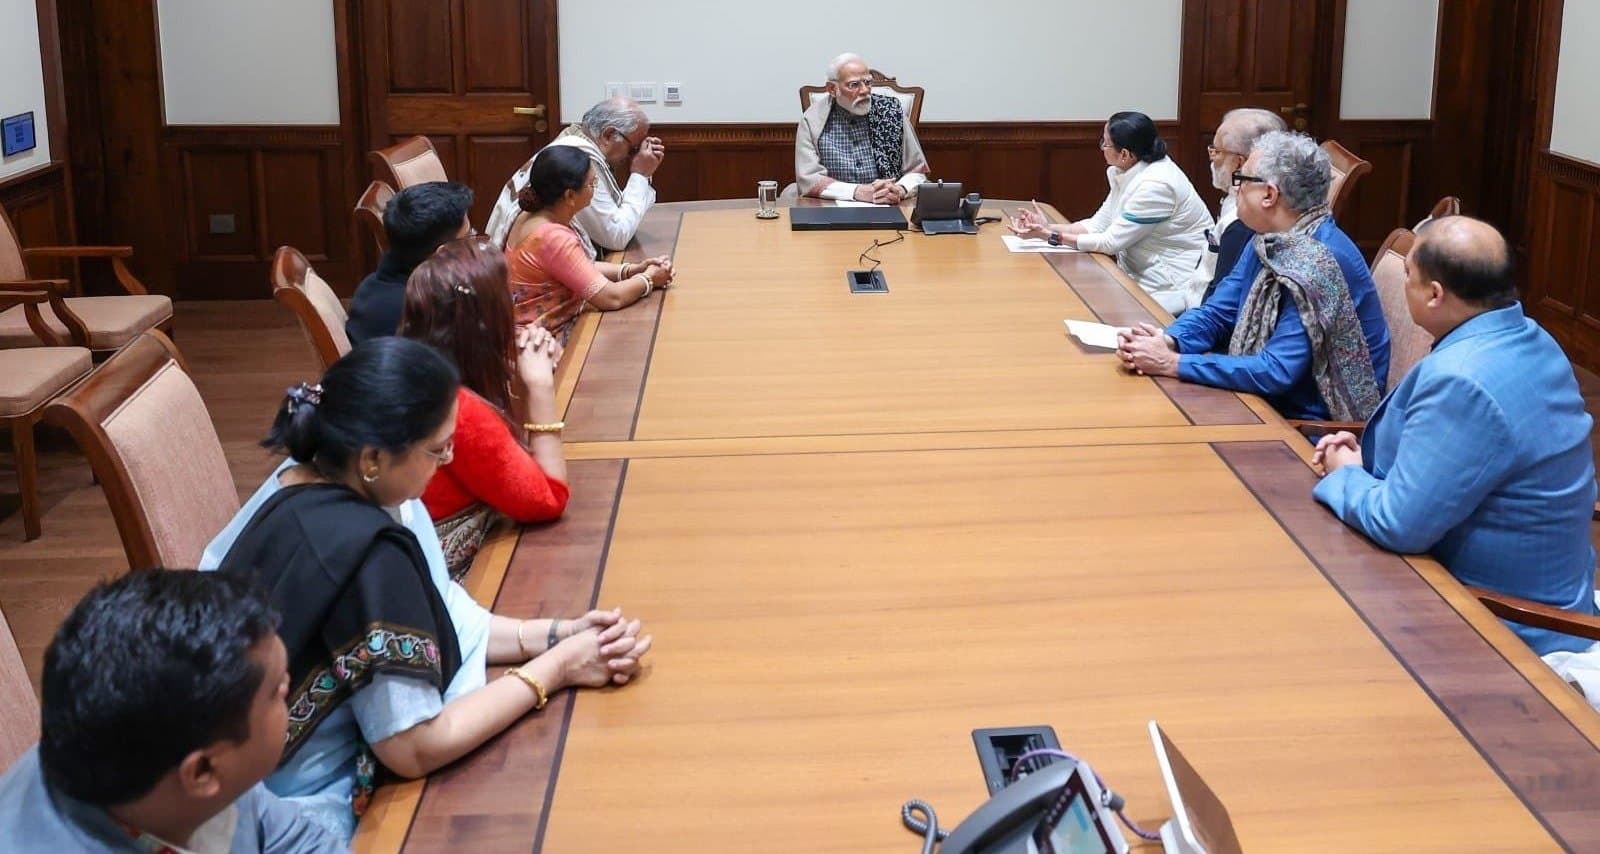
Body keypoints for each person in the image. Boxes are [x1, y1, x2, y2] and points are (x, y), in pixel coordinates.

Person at [200, 338, 652, 842]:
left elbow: (445, 607)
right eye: (438, 448)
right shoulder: (369, 554)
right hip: (290, 810)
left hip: (229, 780)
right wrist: (559, 668)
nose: (451, 456)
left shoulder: (301, 480)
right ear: (373, 458)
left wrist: (556, 633)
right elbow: (414, 745)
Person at [1312, 216, 1597, 658]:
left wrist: (1346, 473)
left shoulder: (1463, 380)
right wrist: (1366, 463)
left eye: (1408, 275)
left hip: (1506, 629)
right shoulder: (1531, 337)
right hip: (1526, 588)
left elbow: (1398, 525)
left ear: (1434, 294)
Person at [0, 569, 342, 852]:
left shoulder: (184, 740)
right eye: (275, 691)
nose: (288, 686)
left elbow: (298, 842)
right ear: (202, 771)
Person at [1116, 131, 1391, 422]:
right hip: (1264, 400)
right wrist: (1169, 340)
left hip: (1312, 425)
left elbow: (1277, 371)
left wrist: (1175, 364)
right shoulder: (1269, 238)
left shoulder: (1316, 264)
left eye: (1241, 180)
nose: (1235, 189)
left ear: (1269, 195)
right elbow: (1219, 312)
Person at [399, 239, 571, 577]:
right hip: (436, 579)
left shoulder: (412, 365)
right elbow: (547, 500)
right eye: (511, 302)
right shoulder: (454, 406)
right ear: (485, 321)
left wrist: (519, 380)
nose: (517, 313)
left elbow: (508, 451)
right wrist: (540, 388)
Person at [1009, 112, 1213, 314]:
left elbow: (1110, 243)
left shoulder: (1156, 185)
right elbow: (1099, 224)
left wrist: (1052, 237)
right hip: (1140, 277)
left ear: (1124, 154)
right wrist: (1047, 228)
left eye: (1105, 144)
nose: (1102, 148)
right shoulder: (1128, 171)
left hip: (1171, 288)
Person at [503, 145, 674, 343]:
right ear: (569, 196)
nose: (594, 190)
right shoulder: (552, 237)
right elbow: (611, 298)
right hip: (540, 341)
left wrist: (633, 270)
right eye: (592, 184)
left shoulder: (530, 215)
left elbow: (576, 267)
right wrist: (650, 279)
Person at [486, 98, 663, 257]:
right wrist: (640, 174)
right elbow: (616, 235)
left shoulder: (574, 140)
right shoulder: (579, 161)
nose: (632, 156)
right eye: (633, 149)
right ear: (608, 135)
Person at [346, 181, 475, 345]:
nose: (473, 245)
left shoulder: (373, 284)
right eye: (468, 236)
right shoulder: (422, 314)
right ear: (443, 253)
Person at [795, 53, 929, 203]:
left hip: (890, 205)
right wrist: (857, 192)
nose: (865, 90)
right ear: (833, 89)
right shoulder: (813, 119)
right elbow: (809, 179)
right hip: (832, 206)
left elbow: (917, 172)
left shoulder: (891, 112)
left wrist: (900, 189)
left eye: (867, 82)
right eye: (854, 85)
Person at [1190, 108, 1286, 306]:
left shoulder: (1246, 218)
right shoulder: (1234, 202)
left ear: (1240, 163)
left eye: (1216, 152)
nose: (1211, 158)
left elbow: (1223, 300)